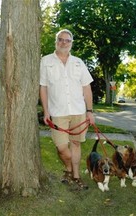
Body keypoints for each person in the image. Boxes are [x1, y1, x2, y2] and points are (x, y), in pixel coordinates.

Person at [39, 29, 95, 190]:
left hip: (79, 111)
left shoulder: (78, 62)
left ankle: (75, 175)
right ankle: (69, 167)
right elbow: (43, 87)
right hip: (57, 113)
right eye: (60, 39)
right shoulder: (46, 61)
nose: (64, 42)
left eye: (67, 40)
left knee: (76, 143)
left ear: (71, 43)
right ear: (56, 41)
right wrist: (46, 111)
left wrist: (90, 112)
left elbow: (86, 88)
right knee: (62, 147)